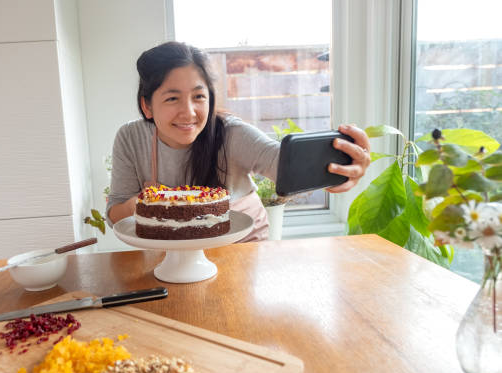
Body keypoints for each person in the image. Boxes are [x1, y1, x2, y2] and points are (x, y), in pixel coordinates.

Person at [106, 41, 371, 241]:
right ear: (147, 105)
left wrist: (344, 166)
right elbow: (115, 214)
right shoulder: (131, 138)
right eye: (172, 98)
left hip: (244, 252)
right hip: (169, 256)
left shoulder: (231, 134)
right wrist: (159, 203)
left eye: (199, 96)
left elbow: (287, 166)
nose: (189, 112)